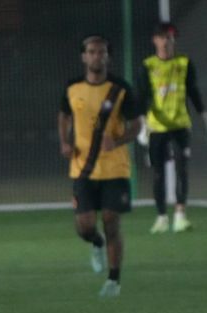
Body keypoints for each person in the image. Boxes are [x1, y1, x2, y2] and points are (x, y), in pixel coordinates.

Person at [59, 35, 143, 297]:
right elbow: (64, 114)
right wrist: (64, 141)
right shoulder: (72, 88)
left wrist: (117, 140)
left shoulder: (120, 89)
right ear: (84, 57)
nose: (97, 56)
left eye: (102, 52)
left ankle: (113, 281)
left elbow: (138, 126)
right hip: (82, 169)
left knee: (111, 220)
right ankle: (96, 243)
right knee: (84, 225)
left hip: (115, 169)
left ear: (108, 56)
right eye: (92, 52)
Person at [136, 22, 207, 234]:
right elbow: (142, 97)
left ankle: (180, 215)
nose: (167, 41)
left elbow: (194, 93)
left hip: (180, 125)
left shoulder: (184, 63)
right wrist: (143, 126)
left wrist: (206, 120)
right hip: (157, 127)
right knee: (158, 173)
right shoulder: (148, 65)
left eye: (171, 38)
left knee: (182, 170)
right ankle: (161, 217)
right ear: (155, 40)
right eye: (163, 37)